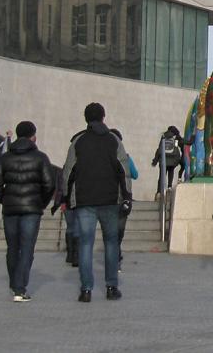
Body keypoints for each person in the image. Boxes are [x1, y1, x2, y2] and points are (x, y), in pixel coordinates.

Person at [62, 102, 131, 303]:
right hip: (110, 199)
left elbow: (68, 172)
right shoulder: (114, 141)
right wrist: (126, 196)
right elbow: (123, 170)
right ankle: (111, 287)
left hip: (84, 201)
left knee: (85, 244)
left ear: (86, 119)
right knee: (110, 243)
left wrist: (66, 197)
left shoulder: (78, 142)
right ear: (103, 117)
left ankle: (86, 290)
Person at [0, 121, 55, 302]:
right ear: (33, 136)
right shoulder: (41, 157)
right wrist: (41, 202)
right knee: (27, 248)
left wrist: (5, 199)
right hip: (31, 209)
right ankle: (20, 289)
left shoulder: (5, 158)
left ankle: (14, 284)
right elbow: (50, 184)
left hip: (10, 208)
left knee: (13, 247)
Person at [109, 129, 138, 269]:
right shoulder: (126, 157)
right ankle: (116, 257)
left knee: (111, 231)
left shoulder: (104, 156)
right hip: (124, 199)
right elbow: (135, 174)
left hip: (109, 198)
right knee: (119, 231)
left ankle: (114, 257)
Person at [152, 125, 184, 191]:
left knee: (161, 176)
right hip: (172, 160)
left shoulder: (163, 136)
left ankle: (159, 191)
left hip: (163, 160)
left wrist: (155, 161)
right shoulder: (176, 137)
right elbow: (180, 146)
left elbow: (159, 149)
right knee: (171, 172)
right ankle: (169, 187)